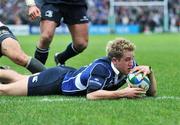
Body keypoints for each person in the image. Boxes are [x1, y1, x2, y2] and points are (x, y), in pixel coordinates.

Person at [0, 38, 157, 100]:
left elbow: (152, 93)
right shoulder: (102, 68)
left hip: (66, 73)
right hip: (55, 81)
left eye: (133, 59)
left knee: (20, 79)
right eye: (128, 60)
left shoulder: (129, 67)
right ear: (115, 60)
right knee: (6, 90)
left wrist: (150, 73)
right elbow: (92, 95)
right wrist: (123, 93)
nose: (132, 63)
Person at [26, 0, 89, 65]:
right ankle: (38, 73)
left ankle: (60, 58)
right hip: (52, 2)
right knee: (46, 37)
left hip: (77, 4)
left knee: (81, 44)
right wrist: (31, 5)